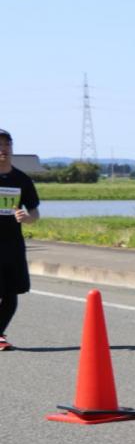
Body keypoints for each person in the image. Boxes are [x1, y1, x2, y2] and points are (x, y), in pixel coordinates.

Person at [0, 128, 40, 351]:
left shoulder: (21, 180)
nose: (3, 149)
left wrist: (27, 218)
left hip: (12, 244)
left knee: (11, 292)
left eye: (7, 144)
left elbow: (34, 212)